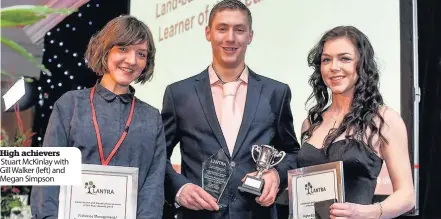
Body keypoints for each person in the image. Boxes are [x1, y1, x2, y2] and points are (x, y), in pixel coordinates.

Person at [161, 1, 300, 219]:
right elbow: (159, 156)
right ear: (208, 32)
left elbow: (292, 153)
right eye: (222, 28)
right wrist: (179, 189)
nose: (230, 38)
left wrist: (276, 174)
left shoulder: (276, 93)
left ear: (250, 36)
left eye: (239, 30)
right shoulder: (178, 94)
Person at [30, 15, 166, 219]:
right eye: (123, 49)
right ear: (105, 49)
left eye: (141, 54)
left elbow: (153, 188)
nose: (132, 60)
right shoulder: (70, 104)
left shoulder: (151, 118)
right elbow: (48, 178)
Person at [297, 26, 415, 219]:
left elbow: (407, 196)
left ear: (362, 64)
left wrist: (365, 212)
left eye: (345, 58)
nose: (334, 67)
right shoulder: (311, 123)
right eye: (326, 59)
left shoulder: (384, 120)